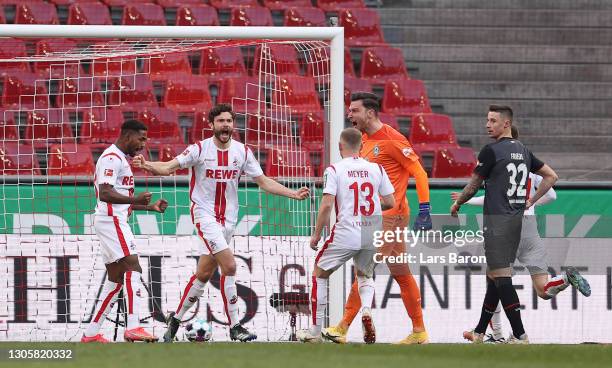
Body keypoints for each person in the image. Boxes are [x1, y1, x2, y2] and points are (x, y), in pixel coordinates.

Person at [132, 104, 309, 342]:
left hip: (229, 220)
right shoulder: (199, 149)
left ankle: (176, 318)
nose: (225, 125)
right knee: (230, 266)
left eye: (229, 121)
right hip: (204, 216)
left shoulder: (242, 152)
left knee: (203, 274)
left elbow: (264, 181)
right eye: (221, 121)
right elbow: (169, 167)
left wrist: (293, 193)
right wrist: (147, 166)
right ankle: (236, 326)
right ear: (211, 125)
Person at [455, 125, 590, 343]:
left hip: (507, 226)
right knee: (543, 289)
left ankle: (498, 334)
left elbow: (492, 197)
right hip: (530, 227)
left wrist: (466, 201)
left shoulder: (500, 167)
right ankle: (565, 278)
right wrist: (530, 203)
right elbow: (552, 194)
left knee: (496, 281)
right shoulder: (529, 166)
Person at [324, 92, 432, 345]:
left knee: (365, 269)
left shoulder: (393, 139)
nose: (349, 115)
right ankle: (419, 331)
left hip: (389, 216)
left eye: (354, 111)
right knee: (401, 272)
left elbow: (420, 172)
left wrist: (425, 209)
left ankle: (342, 327)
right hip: (378, 216)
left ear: (370, 113)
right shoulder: (362, 140)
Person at [297, 128, 395, 344]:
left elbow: (326, 205)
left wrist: (316, 235)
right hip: (372, 231)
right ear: (361, 146)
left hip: (346, 231)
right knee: (364, 275)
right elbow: (390, 202)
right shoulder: (376, 168)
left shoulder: (334, 170)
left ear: (341, 147)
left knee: (319, 273)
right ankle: (367, 311)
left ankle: (314, 331)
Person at [82, 119, 168, 343]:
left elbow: (118, 198)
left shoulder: (120, 159)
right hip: (111, 220)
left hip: (112, 219)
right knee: (133, 267)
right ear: (128, 136)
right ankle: (134, 325)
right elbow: (106, 193)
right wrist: (135, 198)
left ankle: (91, 333)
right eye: (141, 139)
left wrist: (149, 207)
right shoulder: (112, 158)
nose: (143, 144)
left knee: (116, 279)